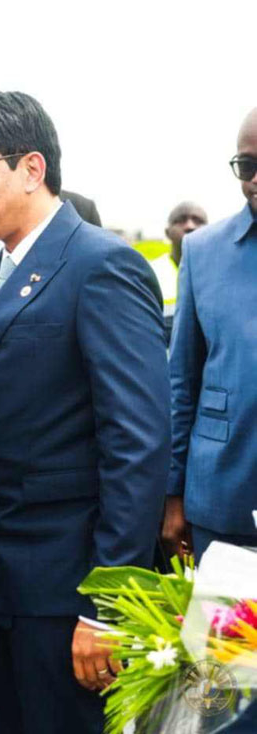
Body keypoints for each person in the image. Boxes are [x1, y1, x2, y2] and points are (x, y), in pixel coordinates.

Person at [0, 91, 170, 734]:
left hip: (67, 589)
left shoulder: (100, 267)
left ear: (31, 169)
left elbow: (136, 444)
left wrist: (108, 604)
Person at [162, 110, 257, 734]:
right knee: (225, 697)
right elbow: (182, 383)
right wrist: (172, 493)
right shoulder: (203, 251)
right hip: (224, 506)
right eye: (247, 166)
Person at [149, 201, 208, 345]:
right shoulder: (149, 272)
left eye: (198, 221)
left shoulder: (221, 272)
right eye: (180, 220)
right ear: (167, 232)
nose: (190, 226)